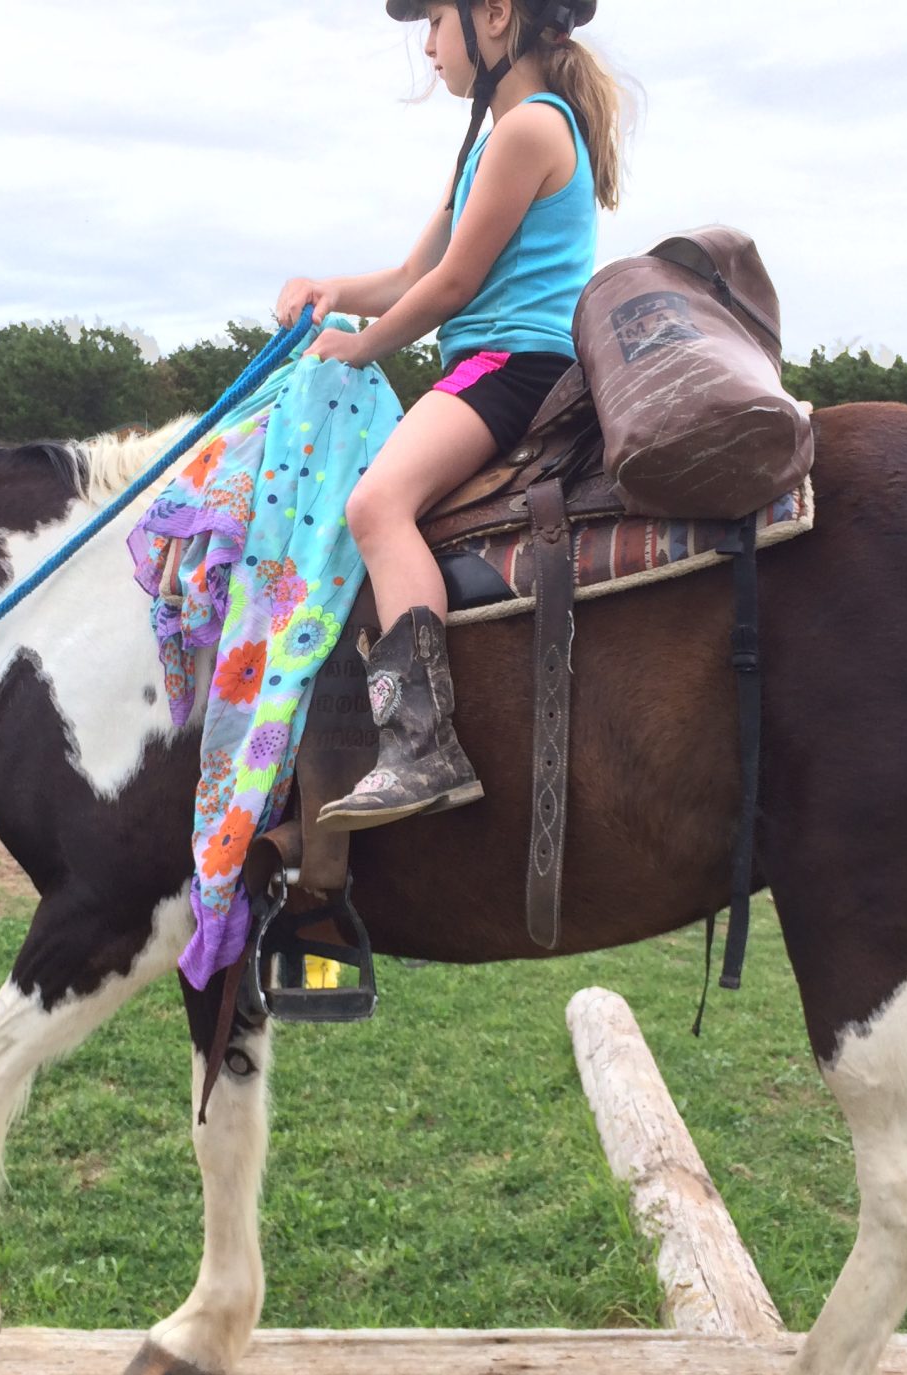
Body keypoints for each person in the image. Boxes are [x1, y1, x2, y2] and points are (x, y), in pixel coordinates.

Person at [276, 0, 626, 831]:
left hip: (513, 367)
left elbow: (453, 288)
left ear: (495, 15)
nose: (428, 46)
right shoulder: (486, 138)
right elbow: (410, 273)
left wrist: (361, 350)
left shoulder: (530, 131)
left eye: (434, 21)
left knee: (375, 505)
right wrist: (332, 293)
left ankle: (422, 746)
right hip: (490, 362)